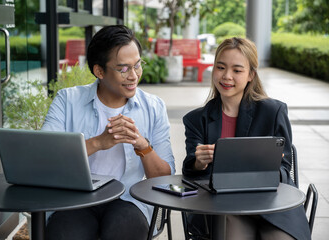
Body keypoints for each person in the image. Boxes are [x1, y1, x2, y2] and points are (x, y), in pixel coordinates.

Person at [42, 25, 175, 240]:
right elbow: (46, 158)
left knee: (125, 229)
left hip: (128, 199)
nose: (133, 76)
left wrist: (143, 146)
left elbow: (163, 179)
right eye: (123, 68)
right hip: (75, 199)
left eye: (137, 65)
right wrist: (98, 143)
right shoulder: (68, 100)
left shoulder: (153, 107)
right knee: (66, 233)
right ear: (99, 71)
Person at [182, 37, 311, 240]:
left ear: (251, 74)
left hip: (273, 206)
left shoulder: (273, 111)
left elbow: (285, 169)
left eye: (237, 70)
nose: (226, 76)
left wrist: (257, 165)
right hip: (224, 207)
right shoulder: (197, 119)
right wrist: (199, 162)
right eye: (220, 67)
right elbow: (190, 172)